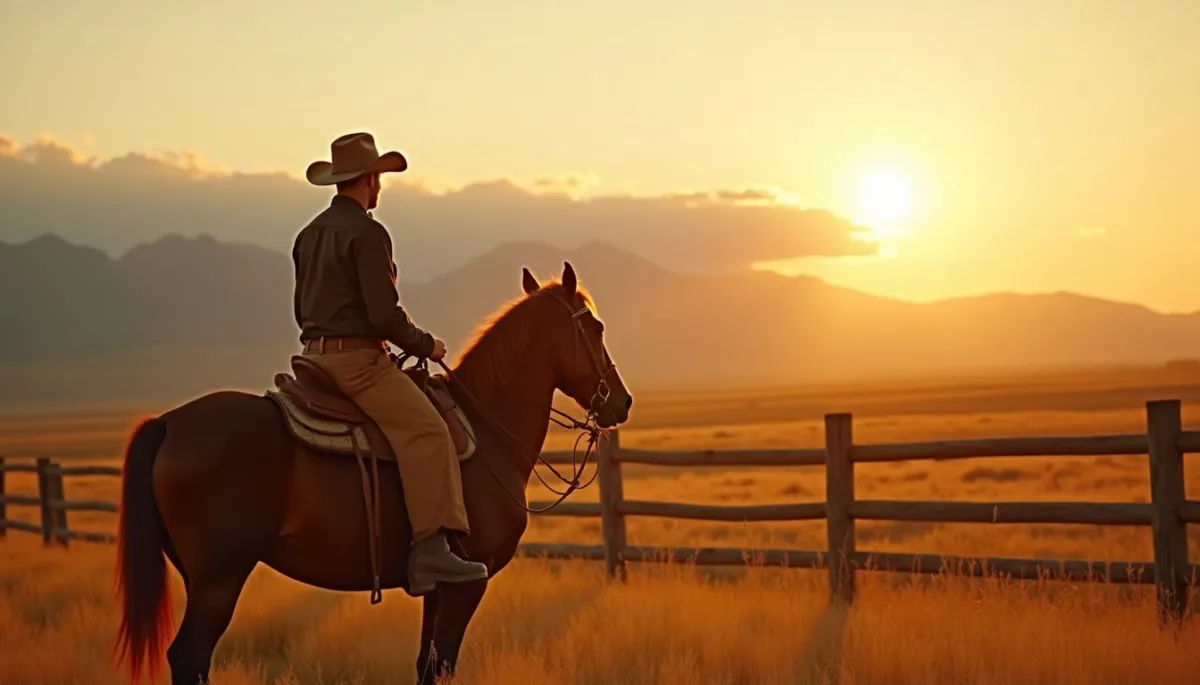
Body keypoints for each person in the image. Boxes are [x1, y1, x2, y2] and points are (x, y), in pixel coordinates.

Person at [292, 131, 488, 595]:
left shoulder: (308, 235)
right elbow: (383, 315)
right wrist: (426, 346)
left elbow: (305, 308)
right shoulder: (368, 233)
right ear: (369, 179)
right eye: (378, 176)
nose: (380, 185)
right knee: (428, 430)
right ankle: (431, 550)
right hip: (359, 364)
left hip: (314, 359)